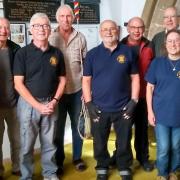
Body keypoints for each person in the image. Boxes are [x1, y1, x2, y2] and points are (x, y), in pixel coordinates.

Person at [82, 20, 140, 180]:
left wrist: (134, 101)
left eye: (112, 29)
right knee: (99, 141)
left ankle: (124, 166)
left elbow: (135, 77)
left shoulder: (129, 52)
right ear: (100, 32)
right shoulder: (92, 54)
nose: (109, 32)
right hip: (99, 108)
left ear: (118, 31)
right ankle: (102, 166)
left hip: (123, 107)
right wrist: (88, 103)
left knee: (124, 140)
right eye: (105, 30)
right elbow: (86, 80)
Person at [13, 13, 66, 180]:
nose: (41, 29)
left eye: (45, 26)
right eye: (37, 26)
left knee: (50, 144)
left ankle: (50, 174)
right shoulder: (22, 53)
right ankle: (26, 176)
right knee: (27, 145)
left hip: (51, 103)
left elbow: (63, 80)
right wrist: (38, 106)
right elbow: (18, 84)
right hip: (28, 105)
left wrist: (55, 101)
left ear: (50, 30)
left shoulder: (57, 53)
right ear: (31, 30)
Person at [49, 4, 87, 175]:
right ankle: (59, 161)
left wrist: (87, 90)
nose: (66, 19)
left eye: (69, 16)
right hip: (57, 92)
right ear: (57, 18)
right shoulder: (50, 37)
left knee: (78, 126)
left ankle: (77, 158)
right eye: (62, 16)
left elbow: (87, 66)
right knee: (57, 128)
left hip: (77, 89)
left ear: (73, 17)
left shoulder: (80, 37)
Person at [146, 29, 180, 180]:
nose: (174, 44)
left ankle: (173, 171)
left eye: (177, 40)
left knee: (176, 147)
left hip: (178, 114)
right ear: (165, 45)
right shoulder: (157, 63)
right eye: (170, 41)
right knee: (164, 148)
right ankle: (162, 173)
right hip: (161, 113)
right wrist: (150, 111)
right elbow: (149, 88)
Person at [0, 17, 21, 179]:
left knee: (16, 140)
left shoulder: (15, 49)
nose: (4, 30)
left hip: (14, 104)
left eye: (7, 27)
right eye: (1, 27)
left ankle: (16, 167)